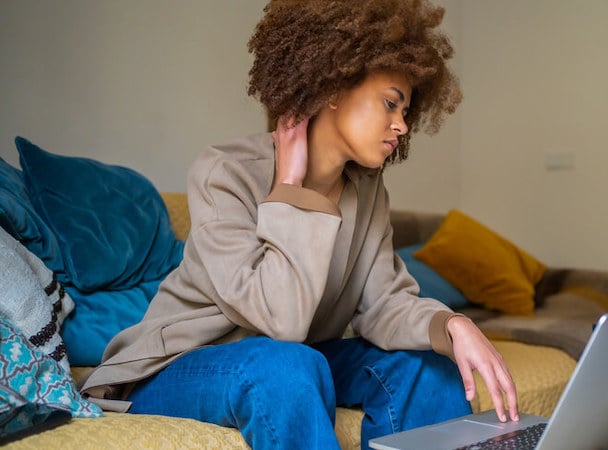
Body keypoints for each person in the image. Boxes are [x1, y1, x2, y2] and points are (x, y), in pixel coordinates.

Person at [80, 1, 518, 448]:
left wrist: (451, 326)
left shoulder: (366, 193)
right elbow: (281, 321)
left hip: (291, 356)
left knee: (428, 368)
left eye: (406, 112)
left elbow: (384, 304)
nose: (402, 126)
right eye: (391, 103)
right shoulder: (225, 171)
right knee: (287, 365)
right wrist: (290, 186)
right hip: (180, 367)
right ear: (333, 85)